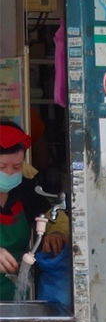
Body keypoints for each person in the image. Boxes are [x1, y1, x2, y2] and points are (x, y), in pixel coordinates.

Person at [0, 119, 68, 300]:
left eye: (16, 166)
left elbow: (51, 214)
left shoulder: (25, 190)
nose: (9, 173)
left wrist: (57, 232)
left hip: (11, 296)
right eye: (1, 167)